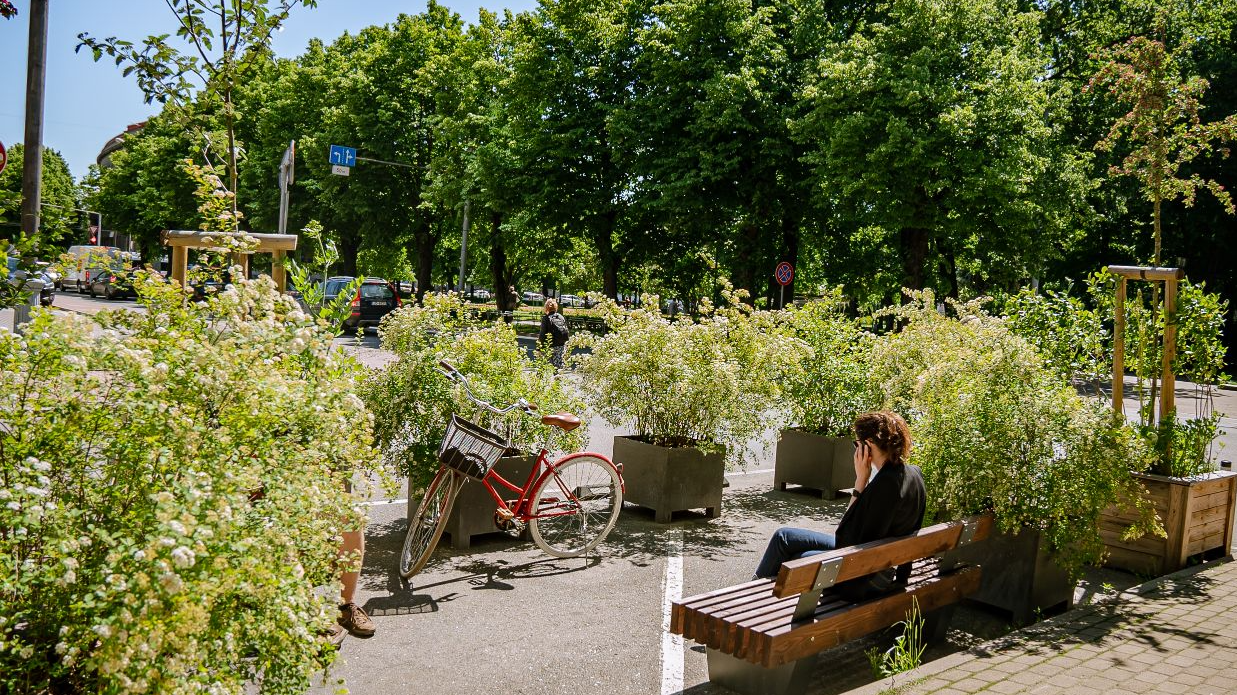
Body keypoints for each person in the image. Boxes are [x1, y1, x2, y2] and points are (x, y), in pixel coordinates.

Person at [754, 411, 925, 598]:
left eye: (857, 444)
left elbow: (845, 537)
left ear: (868, 444)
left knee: (796, 560)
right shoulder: (914, 474)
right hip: (876, 564)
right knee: (783, 537)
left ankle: (751, 598)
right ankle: (753, 589)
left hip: (860, 577)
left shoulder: (884, 486)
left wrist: (860, 481)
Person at [538, 298, 571, 368]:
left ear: (546, 307)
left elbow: (542, 334)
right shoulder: (561, 317)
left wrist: (539, 347)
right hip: (561, 345)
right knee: (558, 367)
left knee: (544, 367)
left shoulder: (546, 318)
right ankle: (558, 378)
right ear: (556, 307)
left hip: (550, 346)